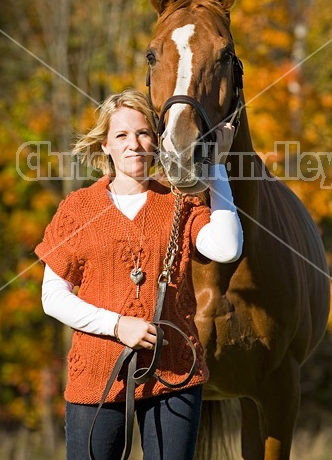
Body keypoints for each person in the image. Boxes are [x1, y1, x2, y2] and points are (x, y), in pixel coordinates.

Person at [35, 89, 243, 460]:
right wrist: (118, 325)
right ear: (105, 146)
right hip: (96, 373)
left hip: (175, 372)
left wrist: (217, 166)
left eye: (144, 133)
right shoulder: (78, 208)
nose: (134, 144)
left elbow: (226, 248)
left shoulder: (181, 200)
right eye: (122, 135)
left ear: (158, 142)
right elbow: (53, 296)